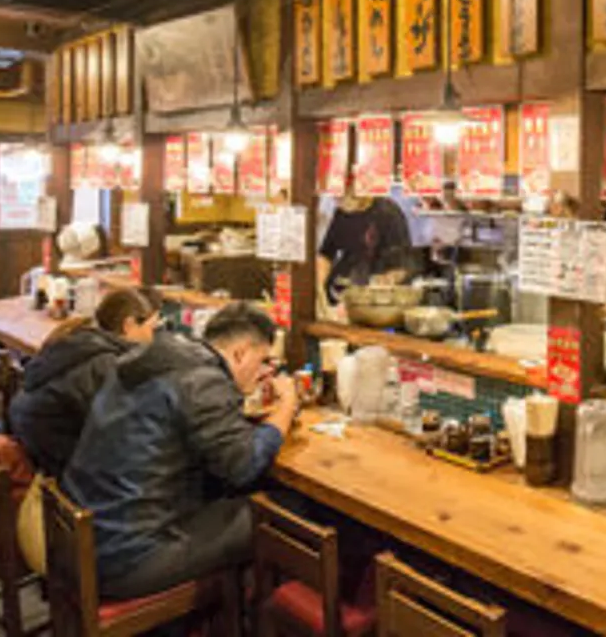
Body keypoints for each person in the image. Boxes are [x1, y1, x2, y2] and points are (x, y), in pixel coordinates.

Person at [63, 303, 299, 600]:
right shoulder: (203, 380)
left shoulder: (153, 358)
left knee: (231, 494)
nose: (266, 372)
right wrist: (286, 409)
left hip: (87, 537)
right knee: (287, 512)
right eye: (264, 360)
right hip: (132, 557)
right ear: (240, 353)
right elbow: (244, 464)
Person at [9, 289, 161, 478]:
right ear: (129, 325)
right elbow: (117, 432)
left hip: (31, 437)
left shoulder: (81, 339)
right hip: (52, 459)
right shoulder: (106, 363)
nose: (153, 338)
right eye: (151, 328)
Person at [314, 161, 416, 314]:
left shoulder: (388, 212)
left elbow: (402, 266)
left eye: (341, 195)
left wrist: (381, 283)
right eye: (336, 196)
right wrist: (319, 289)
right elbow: (326, 254)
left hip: (373, 305)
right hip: (340, 298)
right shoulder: (341, 213)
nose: (337, 200)